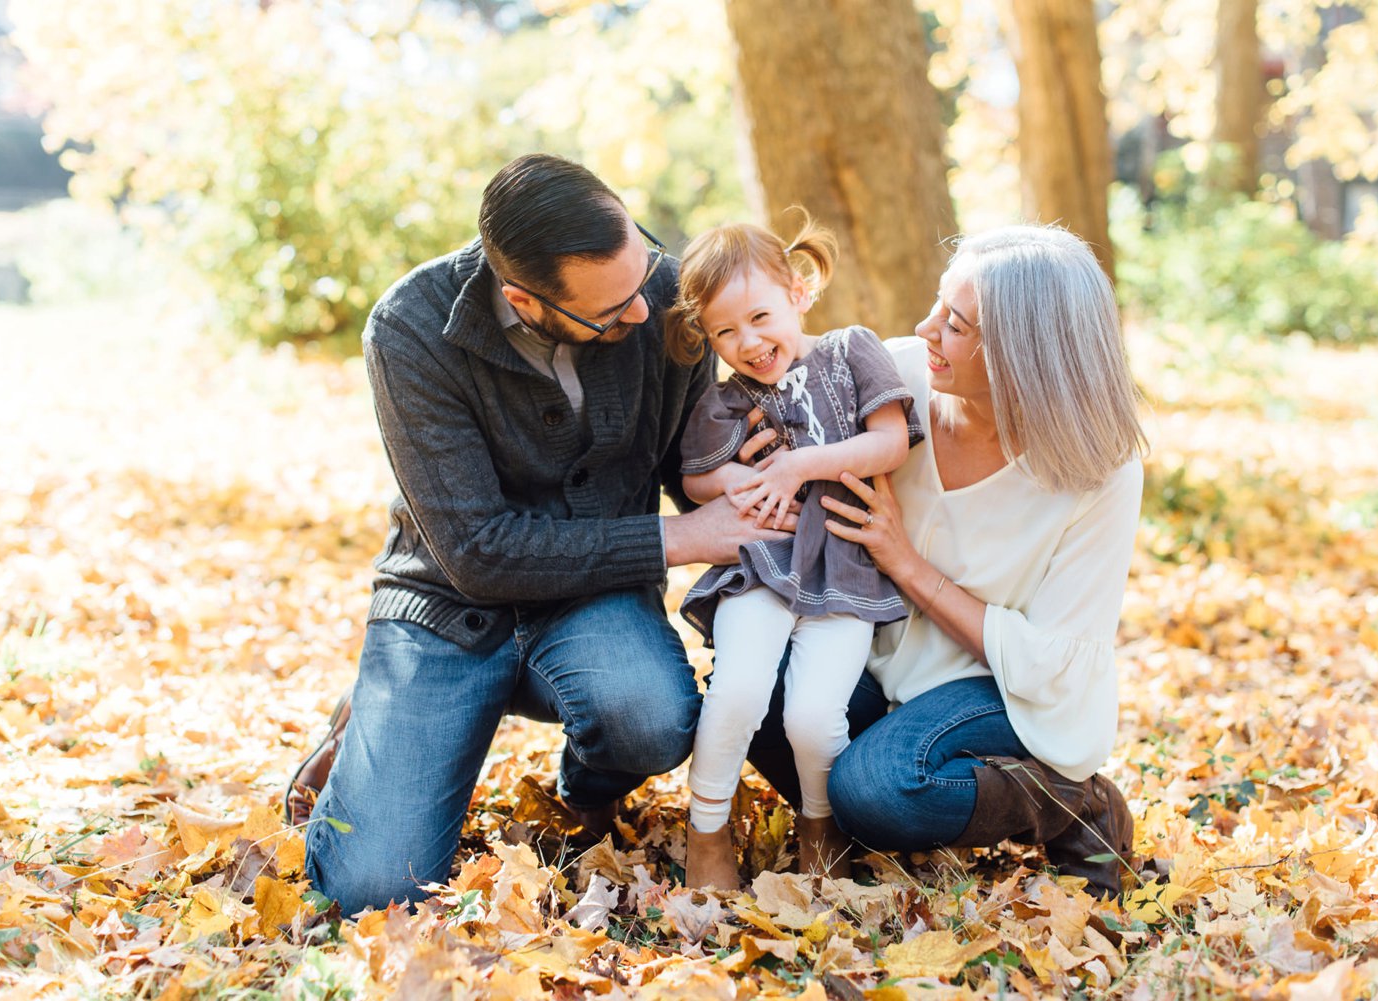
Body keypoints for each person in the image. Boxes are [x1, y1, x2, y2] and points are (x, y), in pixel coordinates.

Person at [291, 153, 788, 914]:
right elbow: (479, 552)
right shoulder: (410, 329)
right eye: (611, 311)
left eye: (643, 268)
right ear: (524, 300)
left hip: (592, 604)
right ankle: (374, 718)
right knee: (371, 889)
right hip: (448, 606)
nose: (644, 314)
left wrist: (738, 469)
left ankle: (582, 792)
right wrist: (685, 537)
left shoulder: (656, 294)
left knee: (651, 716)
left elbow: (680, 462)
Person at [744, 225, 1145, 898]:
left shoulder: (1098, 467)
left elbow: (1050, 665)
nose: (926, 329)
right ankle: (867, 805)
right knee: (752, 692)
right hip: (871, 656)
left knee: (876, 789)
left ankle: (1074, 804)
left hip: (1000, 686)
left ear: (1024, 356)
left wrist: (906, 562)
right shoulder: (891, 379)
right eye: (938, 305)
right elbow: (768, 398)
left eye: (955, 324)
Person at [664, 218, 922, 889]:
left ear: (798, 293)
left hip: (845, 572)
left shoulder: (849, 350)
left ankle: (819, 823)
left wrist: (803, 464)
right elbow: (694, 479)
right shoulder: (724, 399)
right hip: (761, 564)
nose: (747, 342)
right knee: (741, 688)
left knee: (813, 716)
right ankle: (708, 826)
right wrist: (731, 480)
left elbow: (890, 442)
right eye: (725, 332)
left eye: (759, 316)